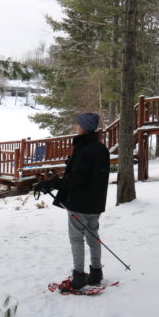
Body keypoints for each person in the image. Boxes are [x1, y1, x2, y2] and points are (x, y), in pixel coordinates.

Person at [34, 112, 111, 292]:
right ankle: (96, 272)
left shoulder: (84, 150)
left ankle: (78, 277)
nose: (76, 127)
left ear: (84, 128)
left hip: (80, 203)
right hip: (96, 203)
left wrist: (52, 184)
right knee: (93, 236)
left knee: (77, 238)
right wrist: (54, 183)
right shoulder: (101, 149)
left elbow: (76, 179)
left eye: (78, 124)